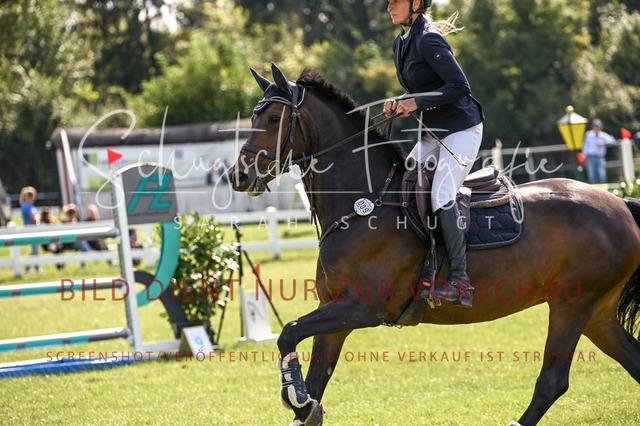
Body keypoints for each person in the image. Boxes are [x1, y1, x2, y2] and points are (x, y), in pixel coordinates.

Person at [383, 0, 484, 308]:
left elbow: (460, 86)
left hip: (461, 129)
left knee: (441, 194)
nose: (389, 7)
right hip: (433, 134)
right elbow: (423, 87)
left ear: (416, 3)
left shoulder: (428, 39)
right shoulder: (401, 42)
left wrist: (414, 102)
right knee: (404, 180)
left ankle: (460, 282)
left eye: (395, 1)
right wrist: (400, 101)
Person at [581, 118, 615, 184]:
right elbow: (585, 146)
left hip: (600, 158)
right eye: (596, 126)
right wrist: (584, 157)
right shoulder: (588, 135)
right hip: (590, 157)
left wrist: (604, 142)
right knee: (591, 176)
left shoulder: (603, 135)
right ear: (593, 127)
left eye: (599, 126)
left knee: (602, 176)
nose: (597, 128)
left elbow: (612, 140)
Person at [19, 186, 41, 274]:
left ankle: (36, 267)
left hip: (33, 229)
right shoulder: (26, 206)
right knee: (35, 250)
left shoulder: (29, 205)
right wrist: (38, 217)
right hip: (31, 229)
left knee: (35, 250)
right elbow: (33, 219)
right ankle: (28, 267)